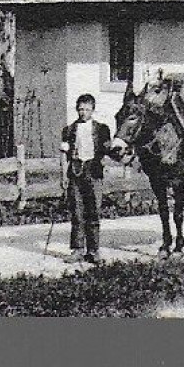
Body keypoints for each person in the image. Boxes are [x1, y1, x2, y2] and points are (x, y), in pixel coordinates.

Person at [59, 93, 112, 263]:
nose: (83, 113)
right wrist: (63, 176)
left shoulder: (102, 129)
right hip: (75, 172)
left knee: (94, 212)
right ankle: (77, 250)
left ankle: (94, 250)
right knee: (77, 212)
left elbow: (107, 151)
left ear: (93, 110)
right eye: (81, 109)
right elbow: (64, 155)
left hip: (94, 172)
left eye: (87, 109)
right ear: (77, 109)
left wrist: (105, 159)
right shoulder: (69, 130)